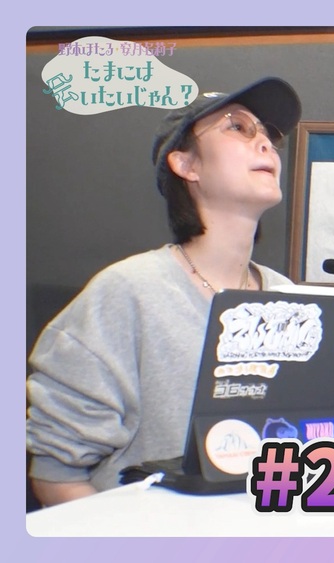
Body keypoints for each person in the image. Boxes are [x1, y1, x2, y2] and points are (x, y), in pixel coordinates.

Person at [26, 77, 302, 506]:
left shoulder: (288, 298)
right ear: (186, 165)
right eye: (238, 127)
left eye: (269, 134)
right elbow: (56, 476)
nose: (265, 143)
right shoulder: (127, 292)